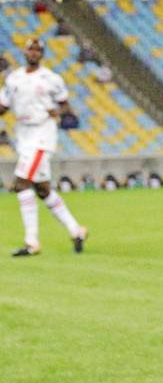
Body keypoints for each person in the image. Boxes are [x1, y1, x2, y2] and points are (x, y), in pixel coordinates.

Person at [0, 38, 88, 256]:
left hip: (42, 136)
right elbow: (3, 106)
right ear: (24, 51)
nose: (34, 53)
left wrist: (59, 112)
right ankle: (76, 230)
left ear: (42, 54)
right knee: (43, 190)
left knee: (21, 184)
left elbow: (65, 105)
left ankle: (32, 242)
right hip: (23, 135)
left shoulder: (51, 79)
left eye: (38, 50)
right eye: (31, 49)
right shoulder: (13, 79)